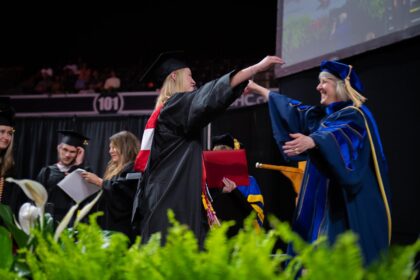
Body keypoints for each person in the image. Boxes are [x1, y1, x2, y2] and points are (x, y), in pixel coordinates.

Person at [245, 60, 391, 265]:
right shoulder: (325, 117)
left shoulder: (355, 115)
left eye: (324, 82)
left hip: (344, 204)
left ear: (340, 85)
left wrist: (313, 140)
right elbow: (296, 110)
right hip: (324, 200)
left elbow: (342, 135)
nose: (318, 87)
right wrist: (258, 89)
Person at [132, 54, 283, 246]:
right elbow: (209, 96)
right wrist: (255, 69)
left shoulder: (162, 114)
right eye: (189, 76)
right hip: (174, 210)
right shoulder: (174, 107)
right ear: (174, 77)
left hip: (163, 205)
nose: (194, 81)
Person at [80, 131, 140, 240]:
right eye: (110, 148)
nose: (110, 151)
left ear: (126, 147)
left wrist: (100, 182)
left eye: (114, 147)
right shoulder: (114, 168)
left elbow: (124, 194)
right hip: (108, 224)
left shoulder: (134, 169)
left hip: (123, 228)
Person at [210, 133, 265, 235]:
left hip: (241, 237)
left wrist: (235, 192)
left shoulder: (249, 182)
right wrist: (219, 191)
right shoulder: (207, 183)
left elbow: (254, 217)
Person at [36, 130, 90, 223]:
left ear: (78, 153)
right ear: (58, 148)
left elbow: (83, 201)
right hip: (49, 222)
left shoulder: (85, 173)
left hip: (72, 224)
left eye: (72, 152)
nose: (67, 155)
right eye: (65, 149)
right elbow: (36, 200)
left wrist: (77, 166)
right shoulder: (47, 172)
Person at [0, 99, 27, 218]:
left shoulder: (10, 167)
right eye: (2, 132)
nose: (6, 137)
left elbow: (13, 203)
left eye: (10, 133)